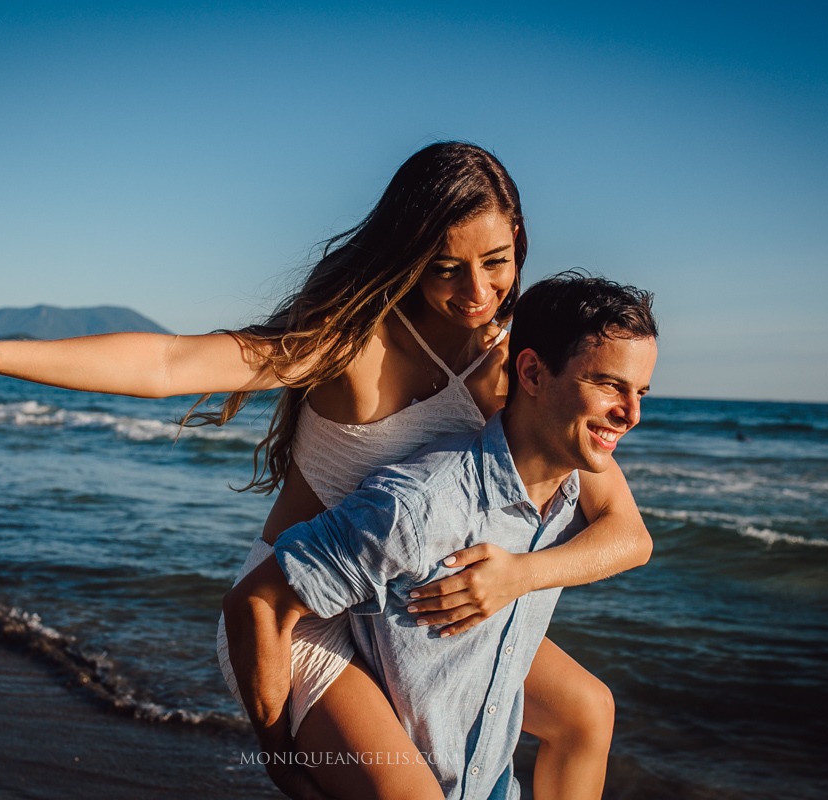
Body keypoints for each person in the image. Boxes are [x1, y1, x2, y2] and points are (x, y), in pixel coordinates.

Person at [0, 142, 651, 799]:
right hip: (295, 615)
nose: (478, 292)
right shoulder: (350, 342)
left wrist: (519, 575)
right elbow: (167, 362)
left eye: (497, 261)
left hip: (405, 607)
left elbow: (623, 530)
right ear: (408, 254)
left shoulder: (520, 359)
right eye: (446, 266)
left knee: (584, 713)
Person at [224, 275, 659, 800]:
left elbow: (632, 538)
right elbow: (258, 602)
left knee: (588, 708)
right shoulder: (421, 506)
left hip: (489, 779)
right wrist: (283, 760)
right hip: (411, 770)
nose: (632, 415)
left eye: (640, 392)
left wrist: (520, 575)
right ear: (531, 373)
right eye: (609, 385)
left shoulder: (568, 489)